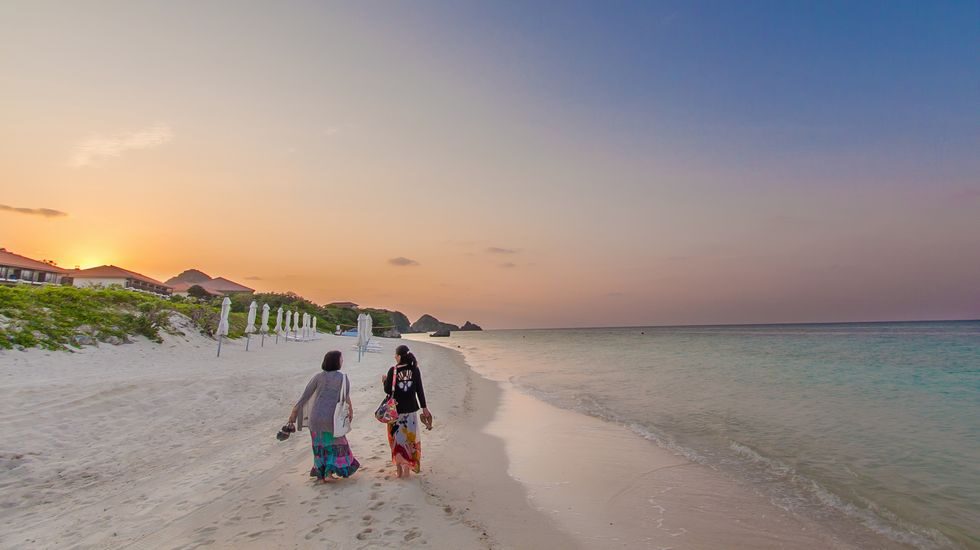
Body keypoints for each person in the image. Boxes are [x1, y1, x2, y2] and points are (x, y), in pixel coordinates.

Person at [288, 350, 360, 483]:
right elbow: (345, 397)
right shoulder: (343, 378)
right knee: (337, 444)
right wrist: (351, 411)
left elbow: (305, 396)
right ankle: (329, 472)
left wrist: (294, 413)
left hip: (315, 418)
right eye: (341, 359)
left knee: (319, 446)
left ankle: (322, 474)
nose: (342, 361)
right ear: (336, 362)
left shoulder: (318, 377)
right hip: (332, 418)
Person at [381, 344, 431, 478]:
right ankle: (408, 469)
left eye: (395, 355)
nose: (394, 357)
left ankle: (399, 472)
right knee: (409, 440)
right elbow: (419, 389)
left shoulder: (393, 370)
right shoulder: (415, 369)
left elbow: (388, 390)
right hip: (411, 411)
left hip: (395, 411)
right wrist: (424, 407)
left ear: (399, 356)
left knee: (396, 440)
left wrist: (384, 381)